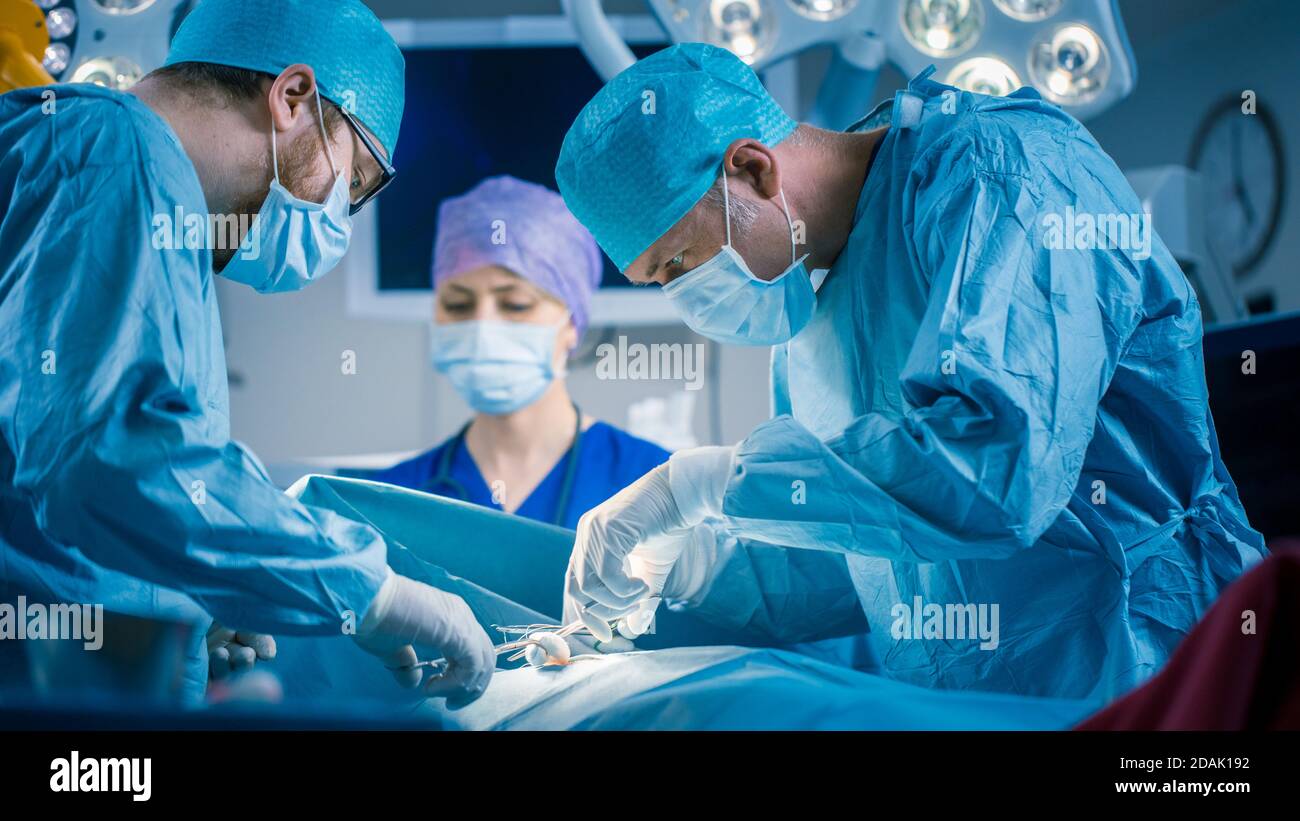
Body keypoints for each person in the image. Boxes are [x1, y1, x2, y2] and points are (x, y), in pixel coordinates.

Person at [552, 43, 1266, 700]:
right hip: (978, 701)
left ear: (752, 169)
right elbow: (868, 552)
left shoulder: (1003, 175)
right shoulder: (811, 309)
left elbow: (994, 471)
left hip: (1156, 669)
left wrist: (703, 484)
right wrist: (688, 567)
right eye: (657, 281)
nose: (682, 296)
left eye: (677, 261)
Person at [0, 0, 493, 705]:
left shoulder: (121, 186)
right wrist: (370, 589)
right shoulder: (114, 150)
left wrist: (174, 603)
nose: (336, 224)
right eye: (349, 185)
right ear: (293, 97)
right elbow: (107, 459)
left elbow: (45, 468)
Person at [371, 176, 670, 530]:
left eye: (514, 304)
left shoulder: (654, 484)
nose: (482, 326)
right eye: (457, 304)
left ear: (571, 323)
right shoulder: (397, 496)